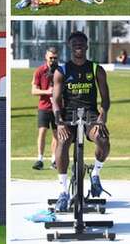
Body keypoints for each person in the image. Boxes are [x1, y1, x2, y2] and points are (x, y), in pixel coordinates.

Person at [51, 31, 111, 211]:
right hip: (68, 115)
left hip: (90, 115)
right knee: (62, 143)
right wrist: (59, 122)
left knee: (103, 139)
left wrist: (103, 114)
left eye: (81, 43)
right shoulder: (62, 70)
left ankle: (95, 174)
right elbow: (55, 99)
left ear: (86, 46)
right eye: (74, 43)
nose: (78, 45)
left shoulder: (96, 69)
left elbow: (105, 97)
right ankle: (62, 191)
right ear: (70, 46)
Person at [31, 47, 59, 170]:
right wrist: (47, 92)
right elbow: (33, 90)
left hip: (57, 107)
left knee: (57, 134)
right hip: (44, 107)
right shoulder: (39, 71)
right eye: (51, 58)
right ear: (46, 57)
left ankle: (54, 159)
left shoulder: (60, 70)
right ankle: (40, 159)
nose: (53, 60)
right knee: (42, 132)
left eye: (55, 58)